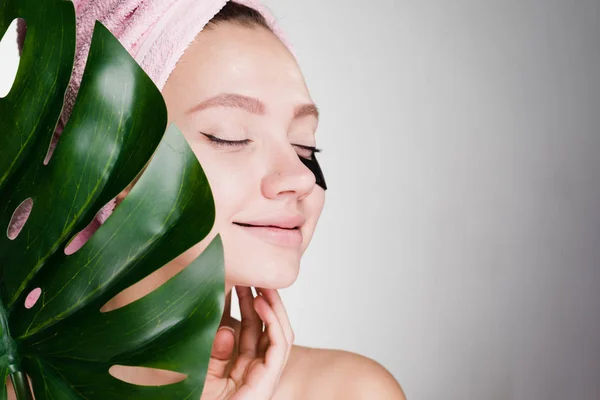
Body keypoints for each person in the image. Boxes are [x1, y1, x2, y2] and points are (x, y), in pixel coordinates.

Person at [11, 1, 406, 399]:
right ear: (110, 161)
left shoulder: (350, 391)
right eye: (230, 136)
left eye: (305, 146)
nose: (301, 177)